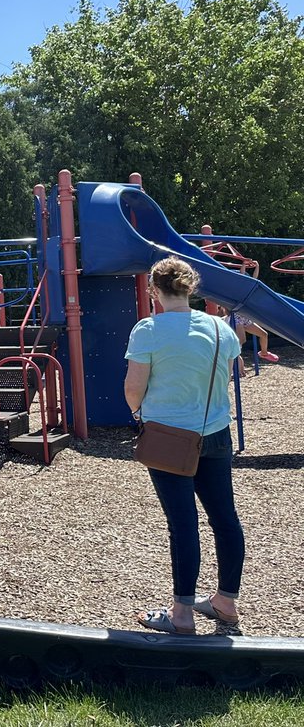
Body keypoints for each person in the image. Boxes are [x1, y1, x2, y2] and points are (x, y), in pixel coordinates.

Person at [126, 257, 243, 636]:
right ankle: (225, 602)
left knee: (183, 525)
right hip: (215, 433)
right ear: (190, 288)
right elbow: (233, 370)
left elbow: (134, 388)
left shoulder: (148, 330)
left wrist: (138, 411)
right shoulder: (219, 328)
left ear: (154, 291)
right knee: (225, 520)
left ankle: (181, 615)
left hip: (169, 438)